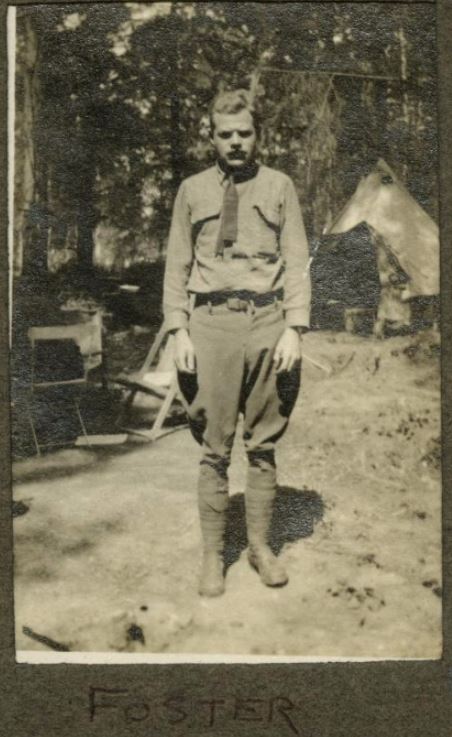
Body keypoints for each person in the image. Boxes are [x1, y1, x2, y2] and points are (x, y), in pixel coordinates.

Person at [163, 88, 311, 597]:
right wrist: (178, 329)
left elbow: (296, 259)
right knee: (213, 448)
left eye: (244, 133)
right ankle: (212, 557)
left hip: (268, 323)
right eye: (225, 134)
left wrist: (295, 327)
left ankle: (259, 548)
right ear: (211, 137)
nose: (235, 142)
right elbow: (177, 265)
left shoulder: (280, 186)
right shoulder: (191, 190)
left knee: (264, 445)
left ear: (257, 135)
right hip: (211, 326)